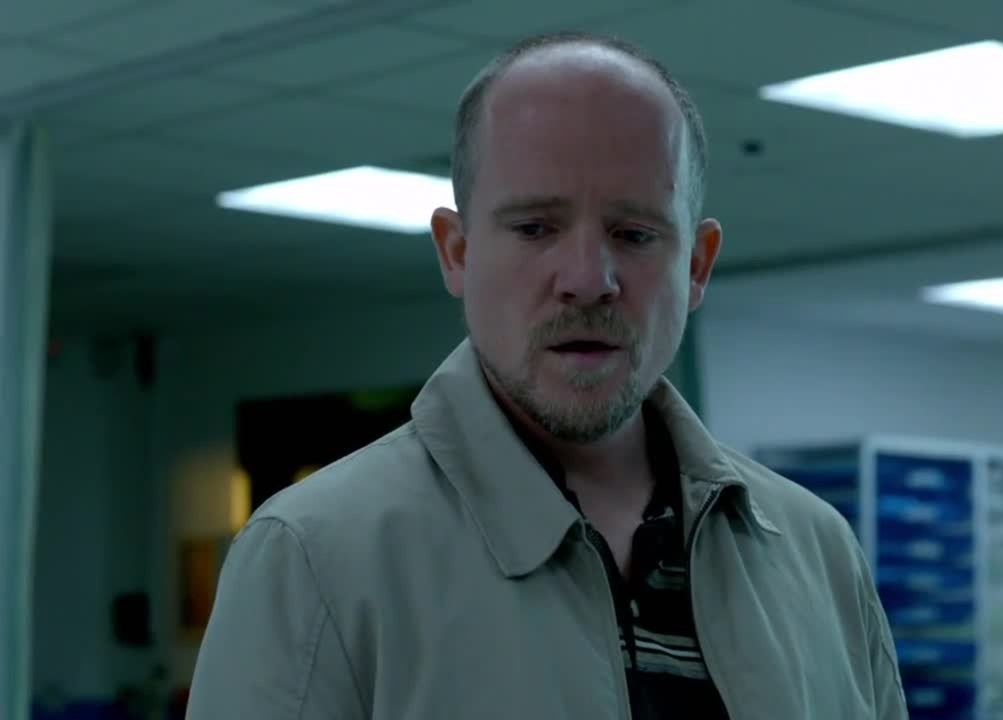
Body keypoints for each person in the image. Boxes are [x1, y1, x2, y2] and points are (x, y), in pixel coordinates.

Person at [186, 31, 907, 719]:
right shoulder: (314, 558)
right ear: (457, 252)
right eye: (535, 228)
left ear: (696, 265)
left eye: (635, 234)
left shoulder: (819, 555)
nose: (588, 280)